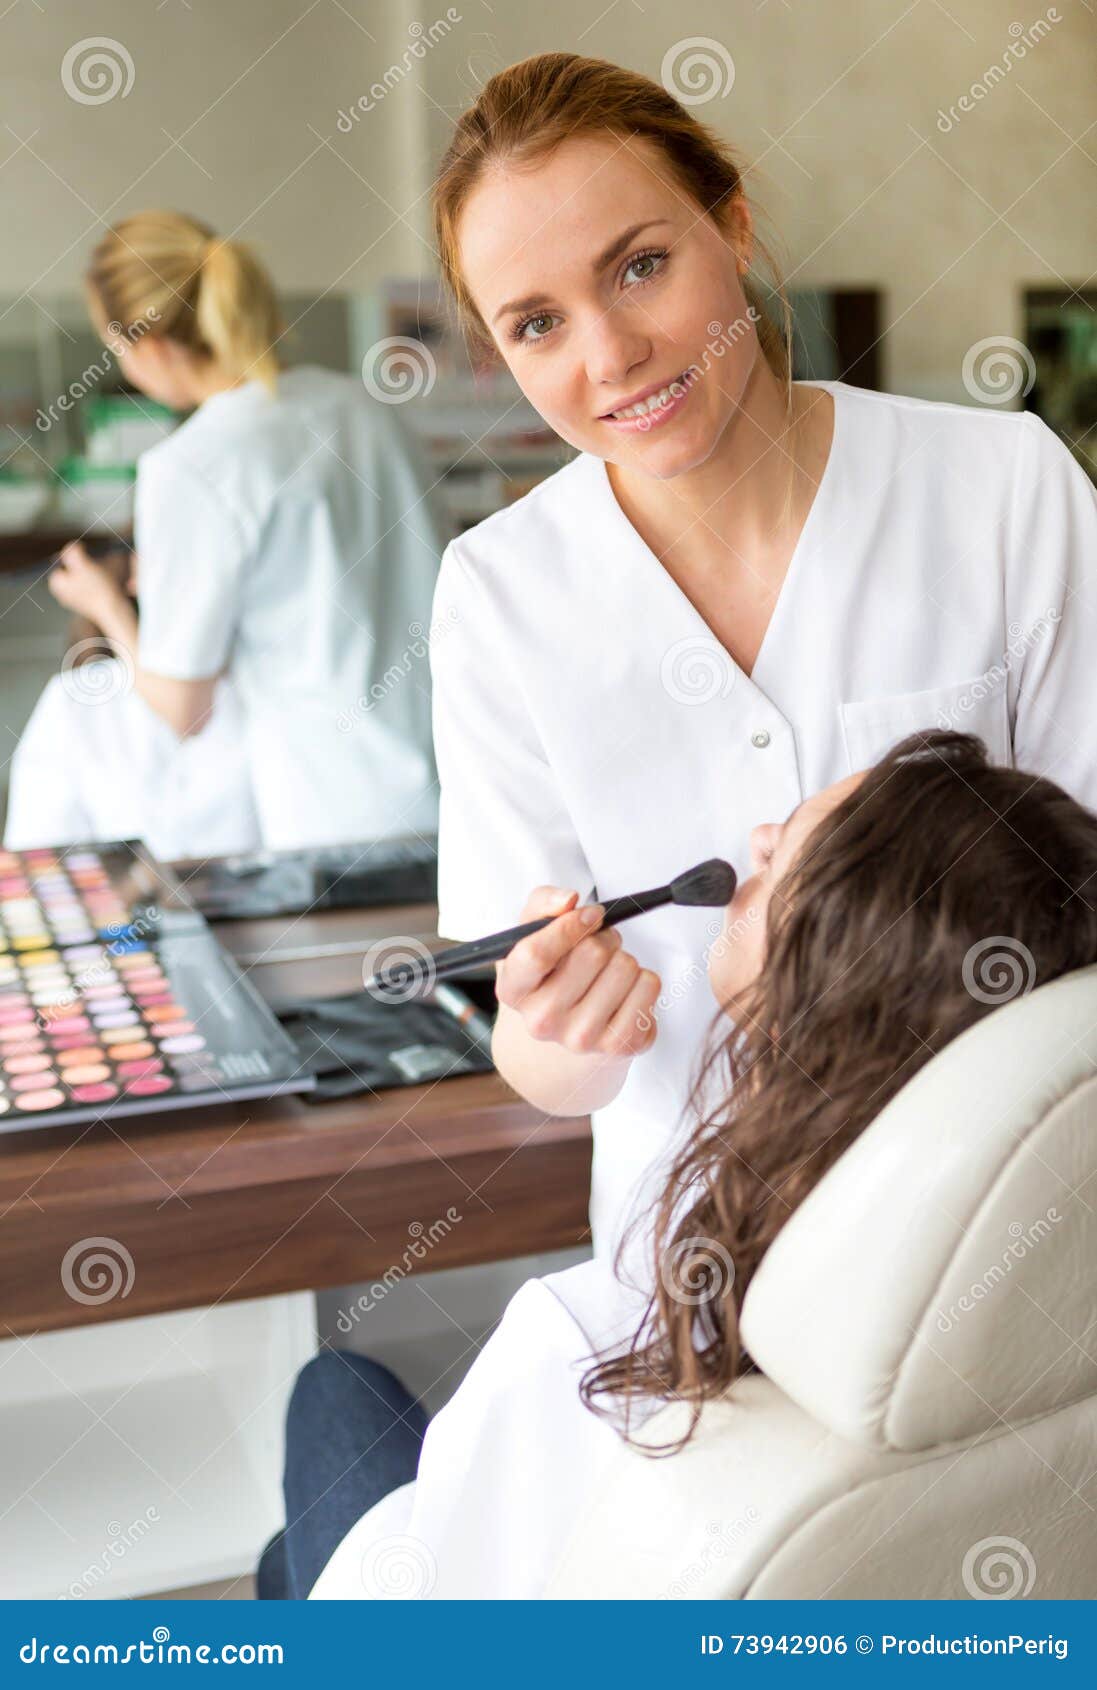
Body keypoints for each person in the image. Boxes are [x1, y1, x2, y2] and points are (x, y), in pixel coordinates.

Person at [423, 52, 1097, 1270]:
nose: (612, 354)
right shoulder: (497, 595)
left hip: (1003, 1240)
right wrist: (562, 1024)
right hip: (685, 1271)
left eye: (639, 266)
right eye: (536, 323)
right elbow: (533, 1058)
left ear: (729, 225)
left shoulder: (1001, 493)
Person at [253, 729, 1097, 1598]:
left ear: (821, 988)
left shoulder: (582, 1348)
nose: (760, 837)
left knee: (334, 1390)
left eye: (794, 848)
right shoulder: (1035, 1304)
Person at [33, 210, 447, 854]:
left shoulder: (192, 465)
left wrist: (106, 606)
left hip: (337, 821)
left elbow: (182, 709)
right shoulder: (363, 406)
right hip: (456, 788)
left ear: (145, 343)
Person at [4, 546, 259, 860]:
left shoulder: (261, 687)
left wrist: (107, 606)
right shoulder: (74, 702)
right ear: (133, 575)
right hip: (118, 909)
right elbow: (38, 858)